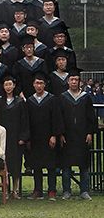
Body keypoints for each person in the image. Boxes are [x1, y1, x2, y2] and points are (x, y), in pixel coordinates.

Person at [57, 70, 96, 200]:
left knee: (83, 164)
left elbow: (91, 117)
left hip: (82, 135)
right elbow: (59, 118)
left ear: (79, 82)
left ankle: (84, 191)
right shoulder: (63, 97)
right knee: (66, 165)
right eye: (71, 80)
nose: (74, 82)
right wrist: (61, 133)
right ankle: (66, 191)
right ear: (68, 82)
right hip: (67, 136)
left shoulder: (86, 97)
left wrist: (90, 132)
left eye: (76, 80)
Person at [25, 72, 61, 200]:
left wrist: (54, 135)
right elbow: (27, 121)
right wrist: (28, 138)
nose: (39, 86)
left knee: (51, 165)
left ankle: (52, 190)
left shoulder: (52, 99)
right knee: (36, 166)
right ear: (33, 85)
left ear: (45, 85)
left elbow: (56, 118)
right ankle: (38, 190)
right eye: (37, 83)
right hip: (35, 138)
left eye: (41, 83)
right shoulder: (30, 101)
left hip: (48, 137)